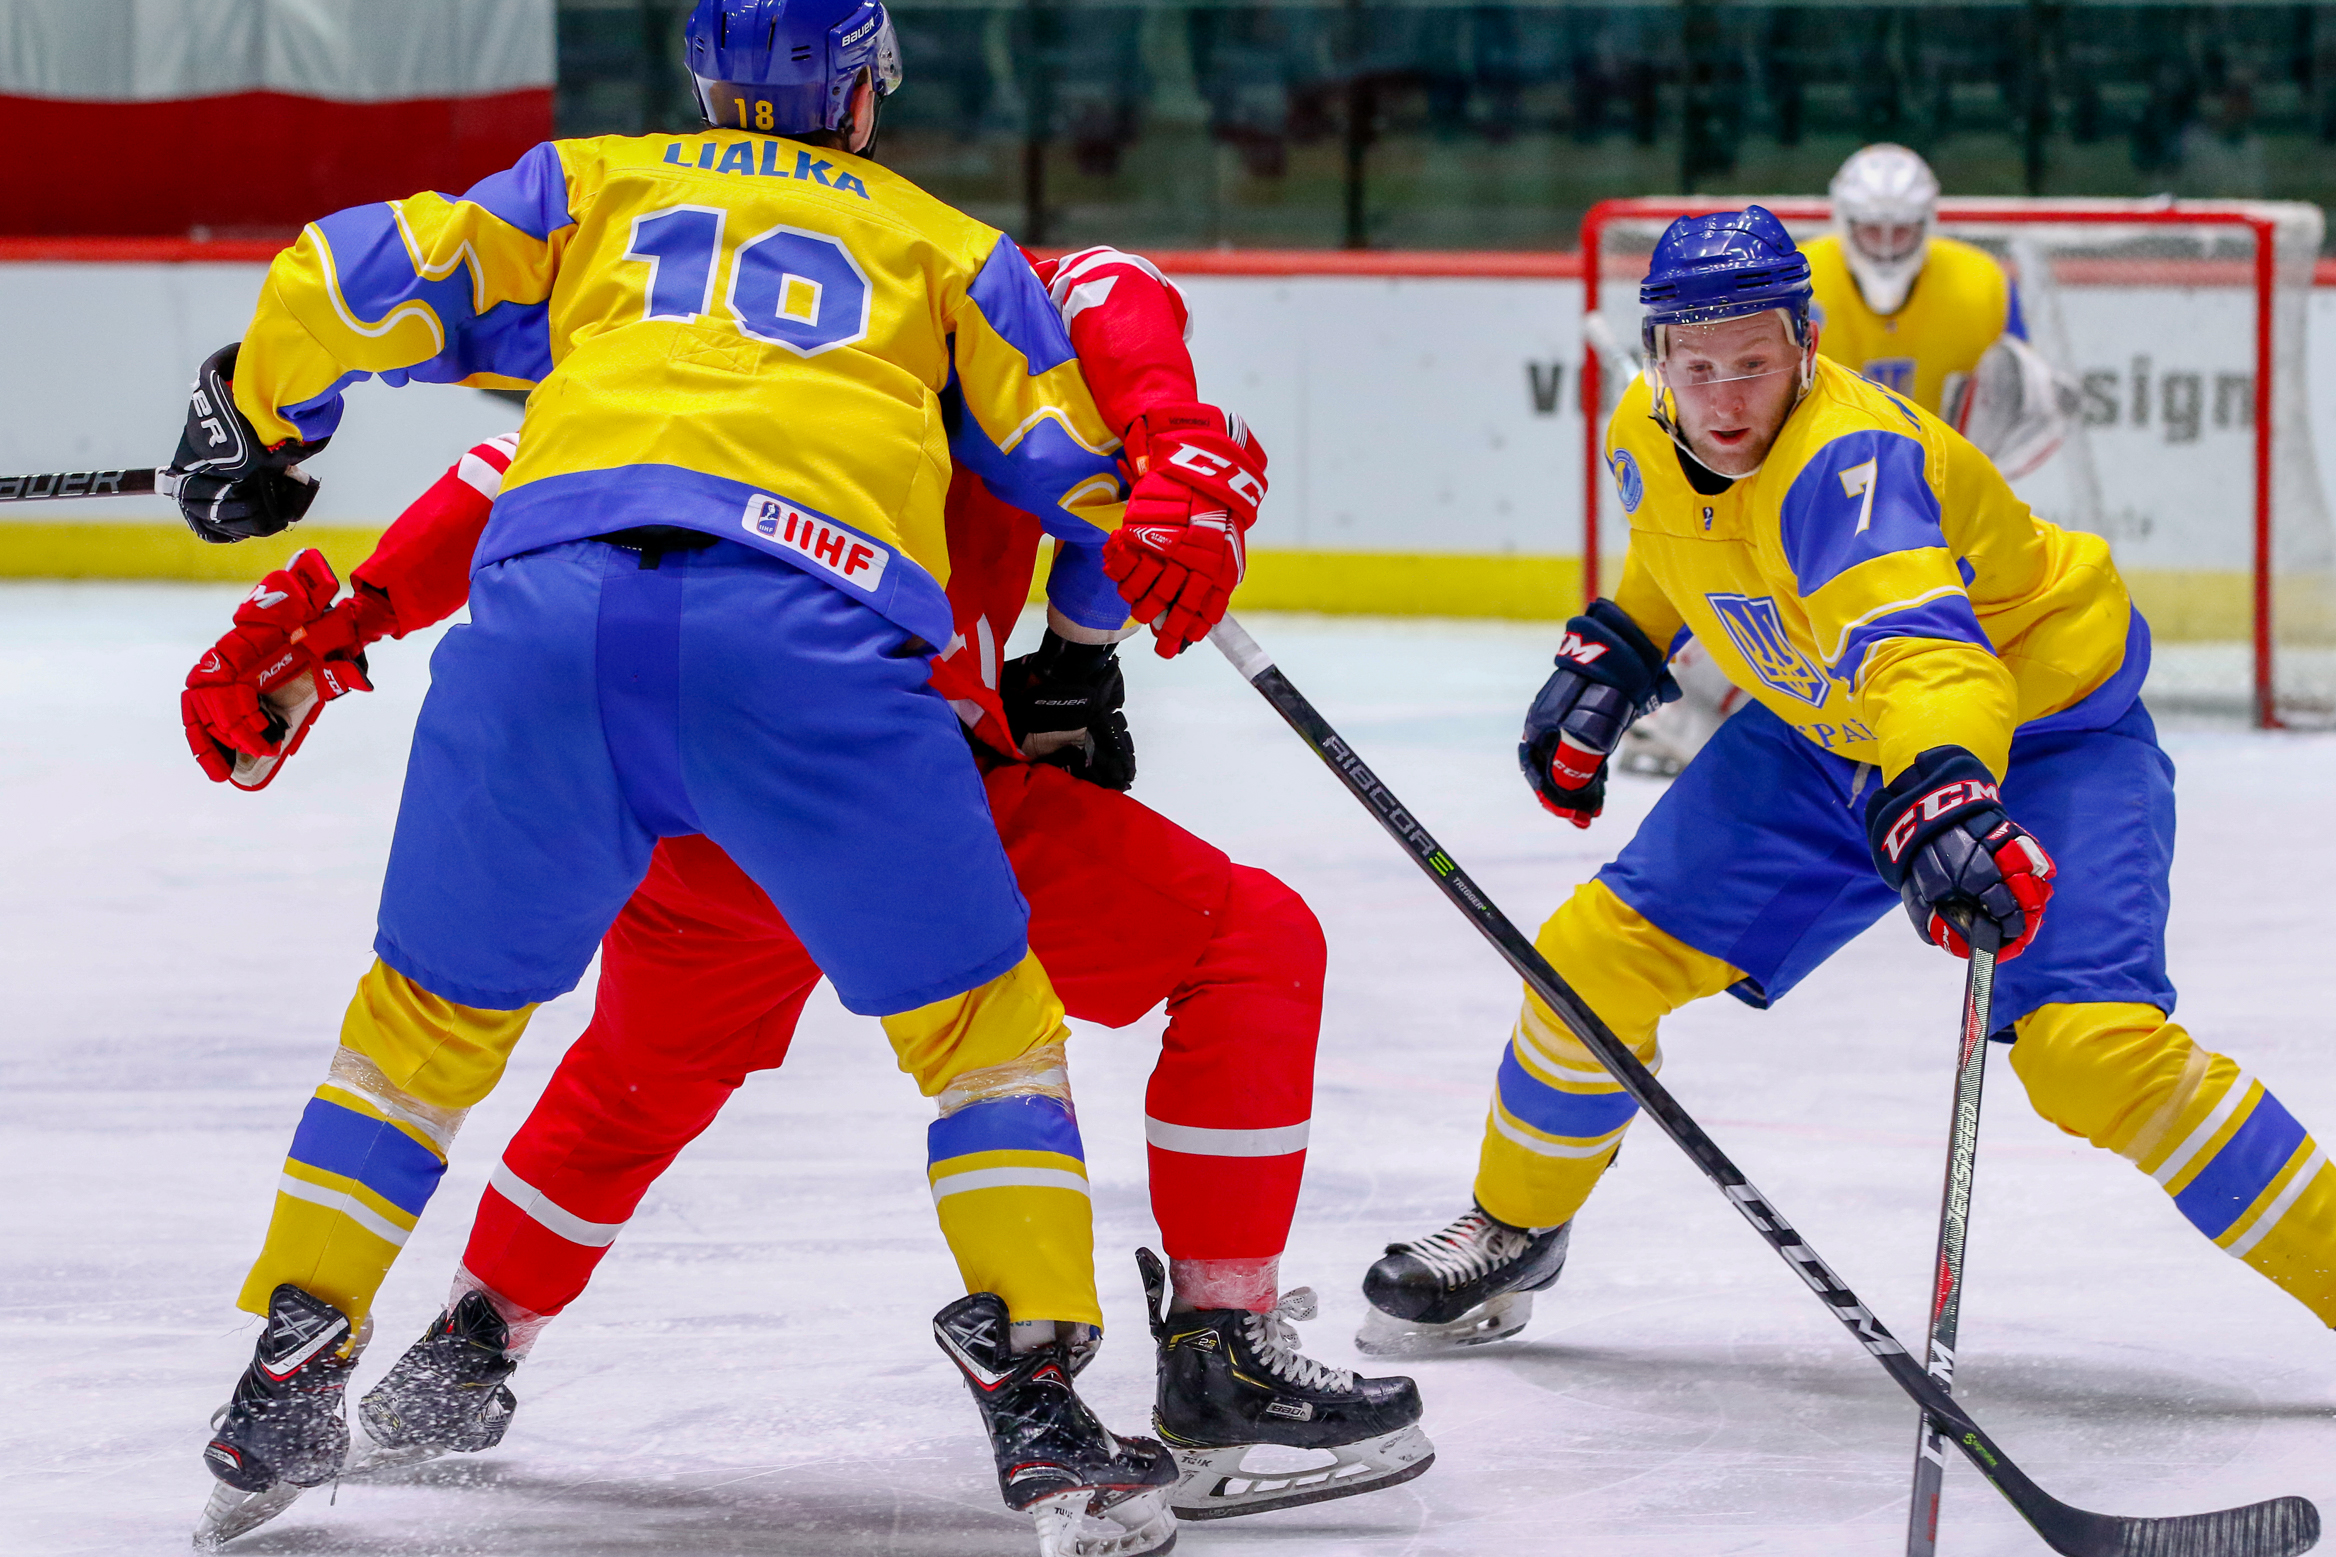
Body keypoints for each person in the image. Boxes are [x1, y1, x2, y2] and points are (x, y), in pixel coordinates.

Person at [166, 3, 1247, 1549]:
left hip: (543, 624)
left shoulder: (587, 186)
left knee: (420, 1029)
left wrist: (262, 416)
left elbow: (344, 278)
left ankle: (293, 1358)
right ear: (866, 91)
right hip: (802, 644)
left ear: (706, 84)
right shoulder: (944, 248)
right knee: (981, 1035)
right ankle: (1038, 1405)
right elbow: (1073, 465)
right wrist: (1173, 513)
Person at [1355, 207, 2336, 1368]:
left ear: (1806, 344)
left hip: (2032, 736)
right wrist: (1624, 639)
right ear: (1658, 357)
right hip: (1826, 734)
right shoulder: (1645, 423)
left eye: (1754, 365)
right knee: (1588, 960)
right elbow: (1688, 540)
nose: (1724, 401)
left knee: (2091, 1054)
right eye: (1697, 366)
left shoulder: (1845, 463)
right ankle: (1514, 1228)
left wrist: (1941, 789)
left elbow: (1933, 657)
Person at [1624, 144, 2078, 779]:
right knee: (1745, 594)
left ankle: (1935, 739)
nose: (1886, 245)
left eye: (1901, 230)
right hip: (1800, 495)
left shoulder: (1983, 286)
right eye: (1871, 228)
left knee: (1924, 639)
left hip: (1921, 497)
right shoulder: (1789, 279)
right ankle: (1702, 717)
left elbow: (2010, 392)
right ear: (1842, 218)